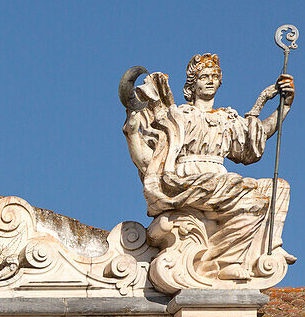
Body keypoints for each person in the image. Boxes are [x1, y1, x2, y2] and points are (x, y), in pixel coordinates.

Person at [125, 53, 295, 281]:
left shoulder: (227, 118)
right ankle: (226, 262)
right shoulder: (179, 116)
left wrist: (284, 107)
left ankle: (267, 248)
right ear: (192, 84)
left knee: (277, 189)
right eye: (204, 76)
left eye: (214, 76)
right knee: (253, 203)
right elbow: (148, 159)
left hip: (221, 180)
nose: (210, 80)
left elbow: (257, 138)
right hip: (189, 178)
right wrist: (133, 133)